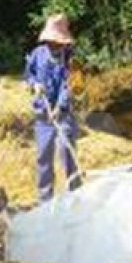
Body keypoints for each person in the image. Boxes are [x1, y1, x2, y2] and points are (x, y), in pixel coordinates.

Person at [24, 13, 79, 204]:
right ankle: (45, 200)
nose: (54, 45)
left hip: (64, 115)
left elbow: (69, 85)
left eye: (58, 42)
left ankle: (75, 196)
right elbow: (29, 75)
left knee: (67, 151)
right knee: (43, 156)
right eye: (51, 41)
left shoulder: (70, 58)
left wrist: (60, 106)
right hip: (43, 114)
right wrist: (34, 85)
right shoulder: (38, 54)